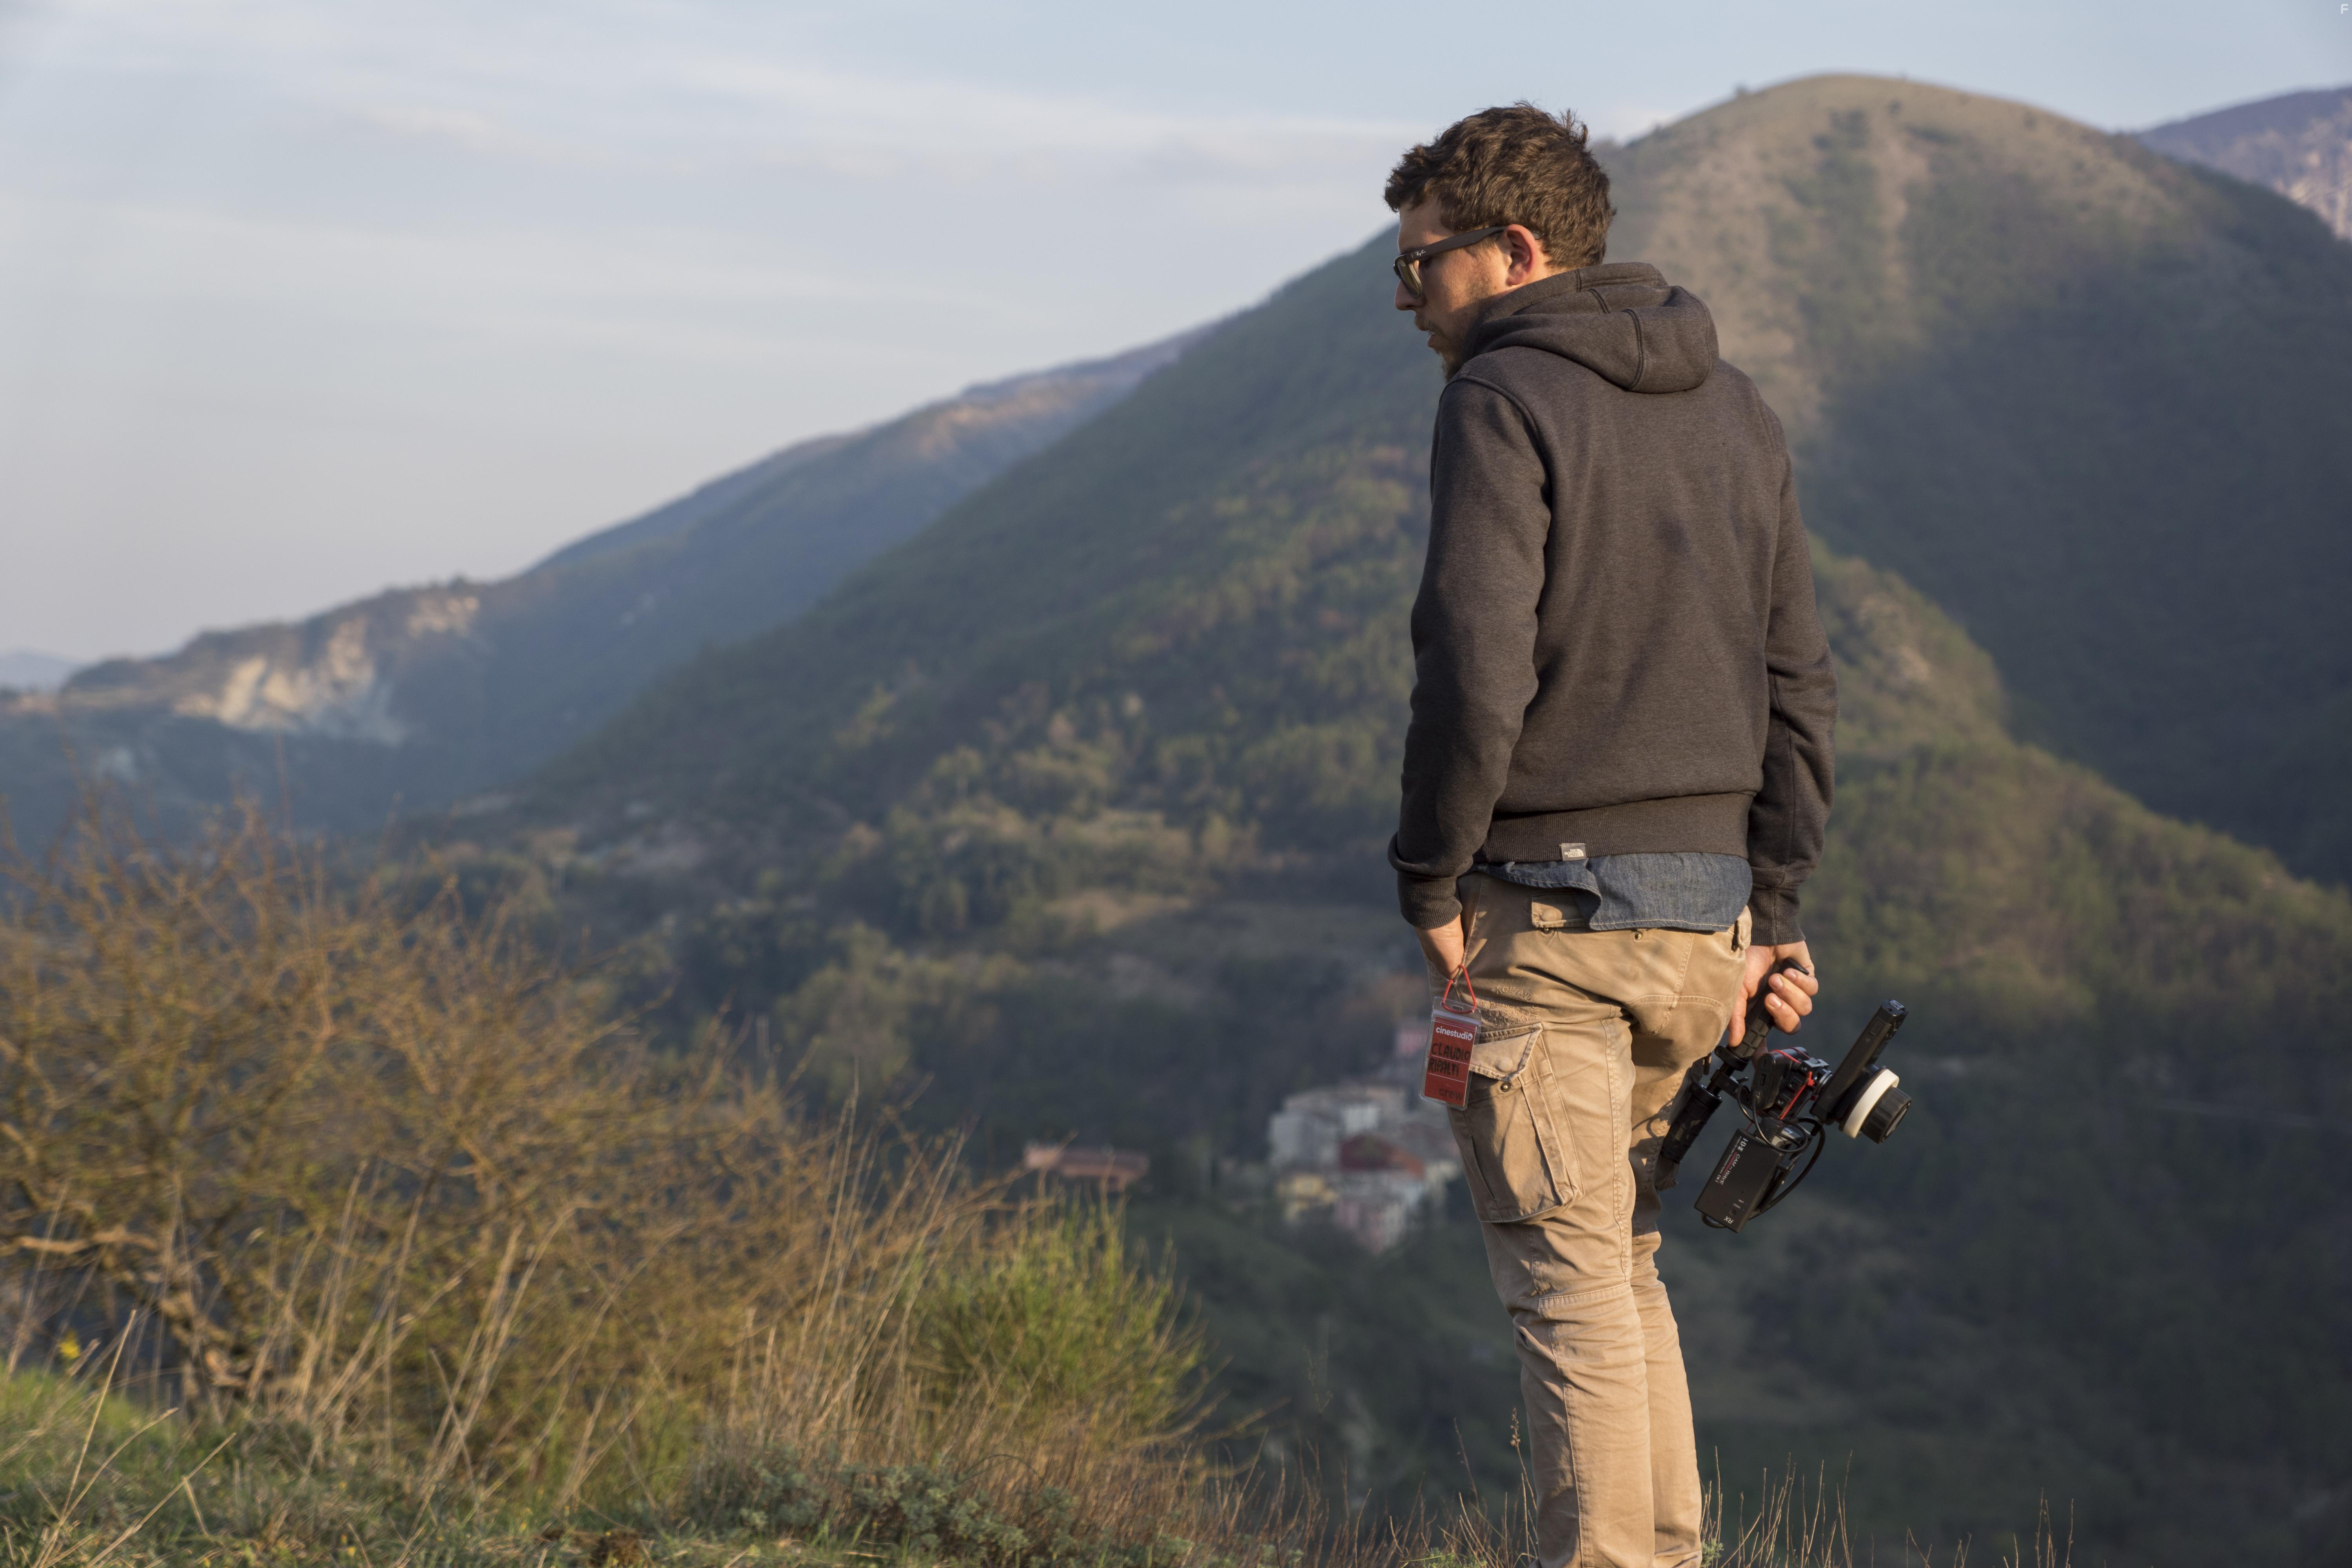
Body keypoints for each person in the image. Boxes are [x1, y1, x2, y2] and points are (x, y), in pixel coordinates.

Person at [1385, 104, 1838, 1568]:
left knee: (1567, 1294)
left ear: (1515, 251)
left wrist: (1429, 879)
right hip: (1705, 929)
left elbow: (1475, 664)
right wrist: (1769, 909)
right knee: (1622, 1274)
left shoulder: (1500, 398)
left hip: (1549, 924)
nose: (1410, 297)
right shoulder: (1739, 408)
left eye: (1423, 263)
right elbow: (1798, 684)